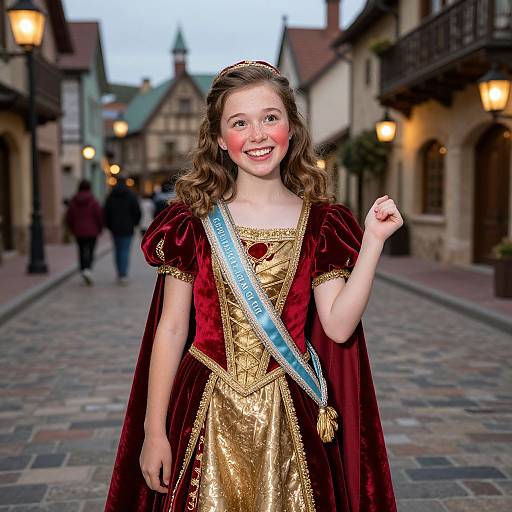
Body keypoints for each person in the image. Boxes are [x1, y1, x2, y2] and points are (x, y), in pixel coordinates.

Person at [106, 61, 400, 511]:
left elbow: (339, 327)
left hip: (291, 415)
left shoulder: (322, 223)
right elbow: (170, 329)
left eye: (270, 117)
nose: (258, 134)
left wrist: (373, 242)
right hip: (203, 408)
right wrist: (153, 431)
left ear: (291, 128)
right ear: (221, 140)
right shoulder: (192, 223)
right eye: (239, 123)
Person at [104, 176, 141, 285]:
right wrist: (135, 223)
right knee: (125, 251)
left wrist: (109, 225)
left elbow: (106, 212)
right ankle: (123, 274)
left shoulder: (111, 196)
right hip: (128, 228)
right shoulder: (131, 195)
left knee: (117, 250)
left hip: (115, 228)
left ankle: (120, 272)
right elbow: (137, 211)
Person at [65, 180, 103, 285]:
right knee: (90, 251)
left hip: (78, 231)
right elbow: (99, 216)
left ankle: (83, 269)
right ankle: (88, 269)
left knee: (81, 251)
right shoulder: (93, 200)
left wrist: (72, 228)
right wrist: (100, 228)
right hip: (92, 231)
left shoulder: (74, 200)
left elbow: (69, 216)